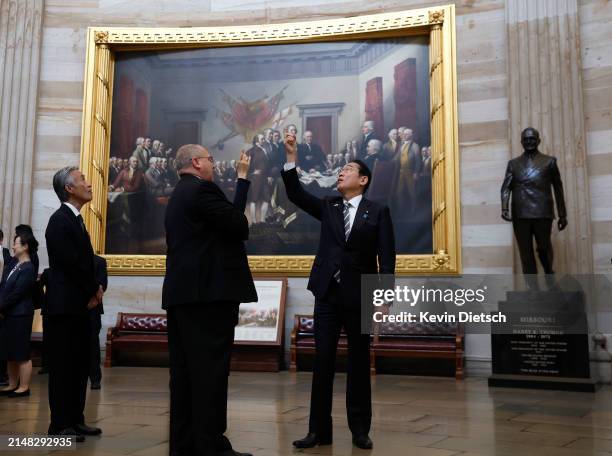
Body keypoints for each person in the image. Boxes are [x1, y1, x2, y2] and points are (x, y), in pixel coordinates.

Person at [281, 130, 396, 450]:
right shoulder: (330, 205)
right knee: (323, 362)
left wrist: (383, 301)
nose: (342, 172)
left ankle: (360, 429)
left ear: (363, 180)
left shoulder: (378, 211)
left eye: (348, 170)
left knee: (359, 363)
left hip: (360, 297)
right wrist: (291, 158)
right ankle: (318, 431)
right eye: (341, 169)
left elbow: (387, 259)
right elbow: (296, 195)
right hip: (327, 295)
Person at [162, 144, 257, 456]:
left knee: (186, 374)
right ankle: (211, 446)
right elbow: (238, 225)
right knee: (210, 374)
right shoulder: (202, 191)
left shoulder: (179, 194)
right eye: (211, 160)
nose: (214, 165)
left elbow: (224, 225)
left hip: (183, 296)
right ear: (196, 162)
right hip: (207, 297)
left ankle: (185, 444)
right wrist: (242, 180)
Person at [45, 166, 103, 441]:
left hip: (78, 306)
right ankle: (59, 425)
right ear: (69, 188)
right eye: (82, 180)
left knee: (80, 365)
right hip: (63, 308)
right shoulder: (59, 221)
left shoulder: (76, 219)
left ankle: (76, 420)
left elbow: (86, 262)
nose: (89, 184)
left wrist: (95, 289)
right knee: (63, 367)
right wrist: (93, 288)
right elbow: (70, 263)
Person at [501, 127, 567, 283]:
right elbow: (506, 188)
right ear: (521, 142)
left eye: (532, 139)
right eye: (525, 139)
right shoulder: (513, 164)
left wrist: (562, 214)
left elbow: (558, 189)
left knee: (543, 248)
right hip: (521, 213)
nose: (529, 142)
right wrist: (504, 207)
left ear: (538, 141)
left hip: (542, 212)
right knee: (525, 253)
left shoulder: (550, 161)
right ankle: (533, 288)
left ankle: (549, 273)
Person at [0, 232, 38, 397]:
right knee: (9, 352)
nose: (13, 246)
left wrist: (1, 307)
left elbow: (18, 293)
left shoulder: (29, 268)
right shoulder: (14, 263)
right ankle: (12, 384)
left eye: (16, 243)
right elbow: (4, 286)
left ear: (25, 246)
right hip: (8, 314)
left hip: (20, 315)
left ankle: (24, 387)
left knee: (21, 352)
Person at [89, 255, 107, 390]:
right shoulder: (71, 259)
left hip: (92, 309)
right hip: (74, 309)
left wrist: (93, 301)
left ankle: (95, 378)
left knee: (93, 344)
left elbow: (102, 284)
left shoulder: (99, 261)